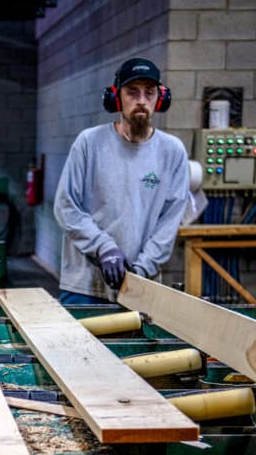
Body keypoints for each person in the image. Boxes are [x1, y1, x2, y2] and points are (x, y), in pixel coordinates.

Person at [53, 57, 189, 304]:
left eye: (149, 93)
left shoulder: (173, 152)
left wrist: (141, 270)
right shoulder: (89, 143)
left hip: (141, 287)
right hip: (85, 287)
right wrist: (104, 247)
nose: (141, 101)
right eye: (132, 92)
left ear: (161, 98)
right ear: (116, 97)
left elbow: (169, 223)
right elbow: (65, 206)